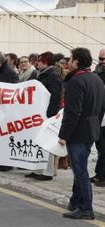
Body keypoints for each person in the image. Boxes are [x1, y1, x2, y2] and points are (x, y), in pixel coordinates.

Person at [59, 47, 104, 220]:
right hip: (91, 130)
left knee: (80, 171)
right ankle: (76, 201)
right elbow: (101, 109)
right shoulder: (96, 79)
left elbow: (72, 112)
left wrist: (64, 135)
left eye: (70, 60)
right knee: (80, 168)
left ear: (77, 61)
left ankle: (86, 208)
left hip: (78, 132)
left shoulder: (76, 81)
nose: (68, 63)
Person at [25, 52, 62, 181]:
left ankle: (48, 171)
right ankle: (37, 168)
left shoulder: (52, 75)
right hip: (40, 112)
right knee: (39, 141)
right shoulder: (41, 74)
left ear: (45, 62)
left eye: (40, 61)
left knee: (47, 142)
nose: (37, 63)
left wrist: (50, 114)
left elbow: (55, 96)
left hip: (47, 114)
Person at [92, 48, 105, 187]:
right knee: (101, 147)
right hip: (98, 116)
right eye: (101, 59)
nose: (103, 62)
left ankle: (102, 176)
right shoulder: (96, 74)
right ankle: (99, 174)